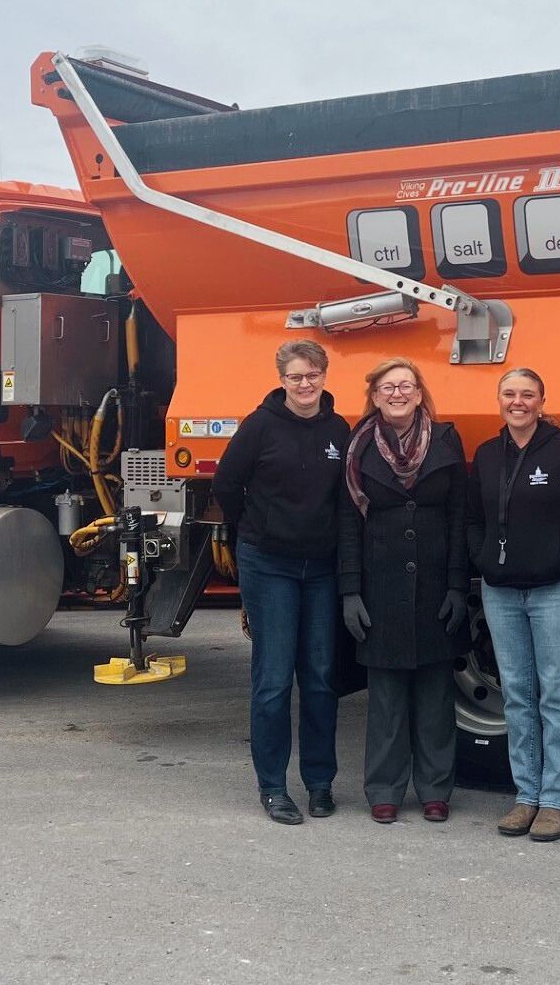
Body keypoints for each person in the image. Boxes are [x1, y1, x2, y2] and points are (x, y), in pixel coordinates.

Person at [212, 340, 352, 825]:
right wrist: (253, 528)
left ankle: (319, 783)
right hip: (268, 564)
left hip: (320, 568)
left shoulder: (339, 430)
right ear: (282, 379)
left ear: (324, 375)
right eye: (295, 376)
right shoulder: (260, 427)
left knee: (319, 679)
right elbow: (226, 484)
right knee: (272, 680)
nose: (305, 384)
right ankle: (273, 787)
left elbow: (344, 499)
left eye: (312, 374)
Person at [467, 368, 560, 842]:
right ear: (499, 400)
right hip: (500, 593)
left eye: (527, 395)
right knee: (519, 695)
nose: (518, 402)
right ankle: (525, 796)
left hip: (556, 591)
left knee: (557, 696)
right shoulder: (486, 455)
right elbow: (471, 519)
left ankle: (554, 802)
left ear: (542, 401)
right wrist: (482, 558)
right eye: (510, 394)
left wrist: (559, 561)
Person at [337, 358, 469, 824]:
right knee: (387, 699)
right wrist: (350, 591)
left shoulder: (447, 440)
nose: (398, 393)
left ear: (419, 393)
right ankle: (385, 790)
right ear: (374, 395)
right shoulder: (356, 450)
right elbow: (348, 526)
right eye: (388, 387)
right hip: (380, 585)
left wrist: (458, 585)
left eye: (406, 386)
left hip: (435, 584)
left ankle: (435, 789)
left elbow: (459, 517)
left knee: (435, 698)